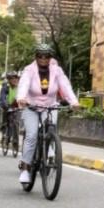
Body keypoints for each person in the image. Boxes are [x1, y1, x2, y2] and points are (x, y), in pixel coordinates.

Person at [16, 44, 79, 183]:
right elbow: (24, 84)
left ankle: (49, 146)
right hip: (31, 106)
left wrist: (73, 101)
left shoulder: (56, 70)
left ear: (50, 58)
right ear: (36, 57)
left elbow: (65, 85)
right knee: (31, 136)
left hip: (50, 106)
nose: (43, 59)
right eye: (40, 56)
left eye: (46, 56)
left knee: (51, 128)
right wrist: (21, 97)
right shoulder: (29, 70)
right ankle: (25, 169)